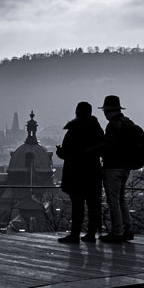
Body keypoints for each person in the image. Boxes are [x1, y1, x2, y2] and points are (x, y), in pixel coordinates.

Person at [89, 95, 136, 243]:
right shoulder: (127, 123)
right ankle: (128, 230)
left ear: (108, 111)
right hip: (126, 167)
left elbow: (107, 146)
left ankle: (117, 232)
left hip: (113, 167)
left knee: (113, 201)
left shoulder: (113, 125)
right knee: (121, 199)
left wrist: (91, 150)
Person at [54, 101, 103, 243]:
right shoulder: (97, 128)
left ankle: (75, 234)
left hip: (76, 173)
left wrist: (59, 151)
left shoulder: (74, 129)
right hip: (93, 172)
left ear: (77, 112)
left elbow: (66, 152)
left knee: (78, 205)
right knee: (93, 205)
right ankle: (91, 234)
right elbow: (101, 148)